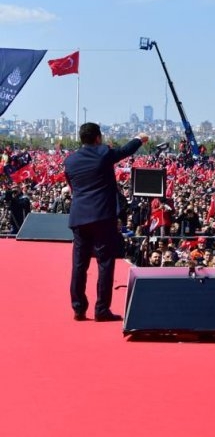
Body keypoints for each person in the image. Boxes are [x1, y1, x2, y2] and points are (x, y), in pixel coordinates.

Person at [64, 123, 147, 321]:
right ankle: (101, 309)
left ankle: (78, 308)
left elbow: (72, 186)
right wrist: (140, 138)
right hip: (102, 216)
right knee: (105, 263)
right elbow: (124, 151)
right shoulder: (103, 153)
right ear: (98, 138)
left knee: (79, 264)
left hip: (79, 217)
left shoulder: (70, 161)